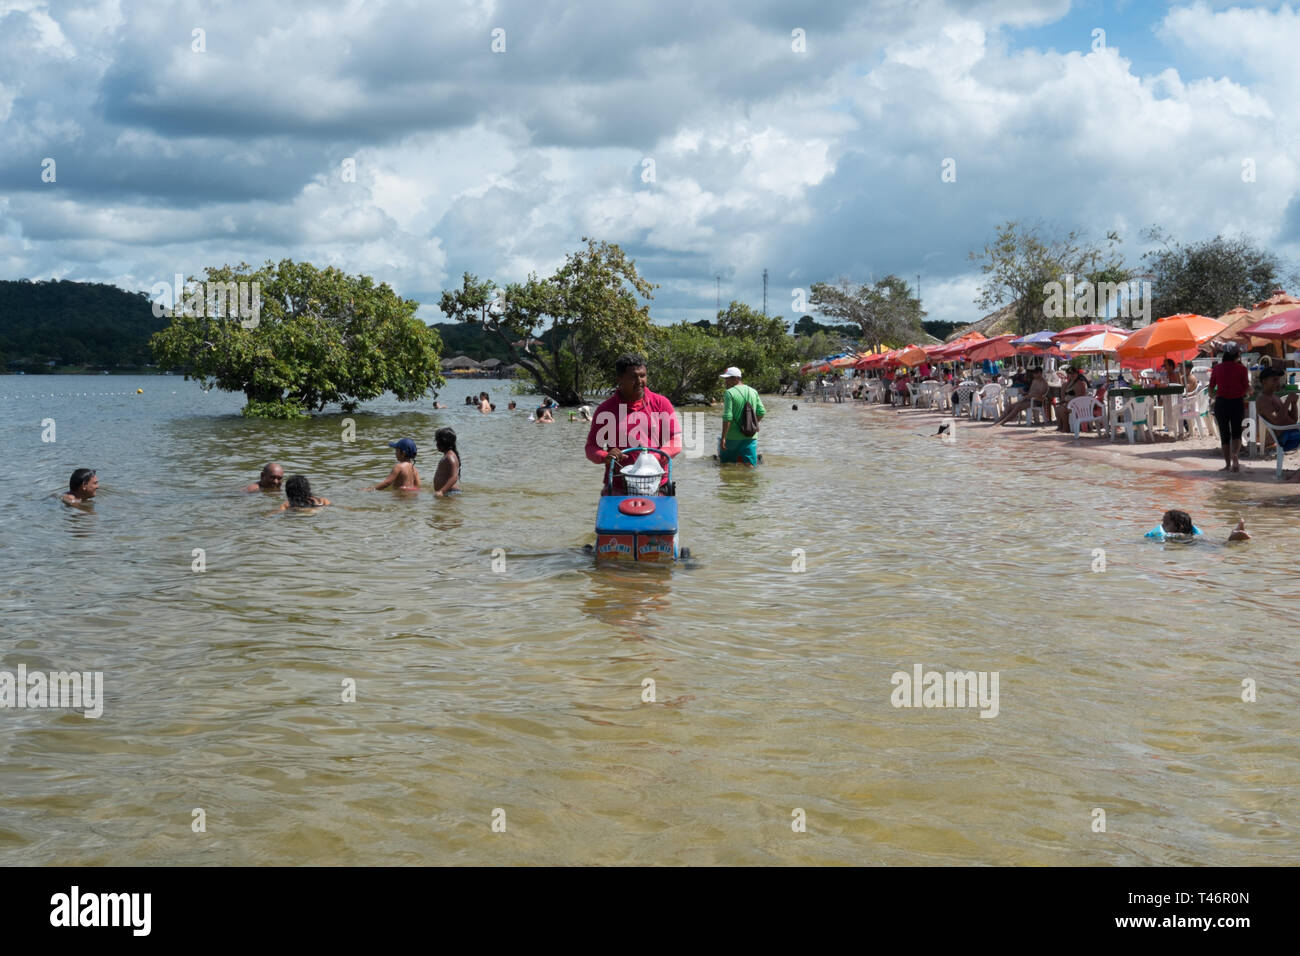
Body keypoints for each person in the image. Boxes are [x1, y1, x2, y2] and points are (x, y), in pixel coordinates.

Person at [584, 353, 681, 494]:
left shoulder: (661, 403)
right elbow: (591, 448)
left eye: (643, 376)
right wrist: (605, 456)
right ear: (620, 379)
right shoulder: (606, 409)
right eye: (633, 377)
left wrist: (656, 456)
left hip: (657, 484)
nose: (640, 381)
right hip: (618, 485)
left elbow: (675, 441)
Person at [1209, 342, 1250, 472]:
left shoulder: (1217, 368)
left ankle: (1227, 465)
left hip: (1221, 403)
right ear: (1237, 355)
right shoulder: (1242, 369)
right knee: (1237, 433)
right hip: (1237, 402)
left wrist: (1215, 396)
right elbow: (1247, 388)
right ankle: (1235, 455)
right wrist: (1251, 391)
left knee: (1224, 434)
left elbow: (1210, 389)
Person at [1255, 367, 1300, 480]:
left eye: (1278, 379)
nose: (1278, 382)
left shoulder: (1274, 397)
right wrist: (1288, 401)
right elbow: (1277, 421)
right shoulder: (1263, 399)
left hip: (1291, 431)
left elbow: (1293, 420)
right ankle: (1297, 476)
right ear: (1264, 381)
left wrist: (1294, 403)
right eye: (1274, 380)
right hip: (1284, 438)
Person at [718, 366, 766, 466]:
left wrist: (723, 438)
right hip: (750, 436)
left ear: (735, 378)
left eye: (727, 379)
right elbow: (761, 412)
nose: (725, 382)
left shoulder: (729, 393)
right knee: (750, 466)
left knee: (726, 466)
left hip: (732, 437)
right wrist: (753, 424)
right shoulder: (753, 391)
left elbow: (727, 417)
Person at [1146, 509, 1249, 542]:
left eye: (1166, 523)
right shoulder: (1192, 533)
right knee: (1216, 541)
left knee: (1223, 545)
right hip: (1202, 540)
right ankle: (1236, 532)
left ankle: (1233, 538)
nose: (1162, 526)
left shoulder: (1179, 536)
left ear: (1180, 527)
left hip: (1198, 544)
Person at [1056, 365, 1091, 432]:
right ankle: (1061, 426)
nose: (1072, 375)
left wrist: (1068, 402)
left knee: (1062, 409)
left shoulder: (1080, 383)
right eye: (1069, 373)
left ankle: (1066, 427)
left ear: (1077, 373)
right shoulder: (1069, 383)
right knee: (1058, 408)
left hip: (1078, 405)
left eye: (1073, 373)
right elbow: (1064, 395)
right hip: (1070, 403)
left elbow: (1079, 397)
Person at [432, 427, 461, 496]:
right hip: (448, 493)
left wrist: (441, 491)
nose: (436, 444)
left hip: (450, 493)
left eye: (437, 441)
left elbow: (454, 477)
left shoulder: (450, 457)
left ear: (443, 443)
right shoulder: (447, 456)